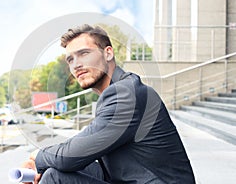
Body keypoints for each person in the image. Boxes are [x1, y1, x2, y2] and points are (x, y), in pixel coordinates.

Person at [21, 24, 195, 184]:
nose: (76, 65)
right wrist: (45, 165)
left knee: (55, 177)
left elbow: (71, 155)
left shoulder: (127, 94)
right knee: (53, 171)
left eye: (84, 54)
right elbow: (81, 156)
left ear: (108, 53)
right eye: (70, 60)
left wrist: (39, 157)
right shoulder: (117, 92)